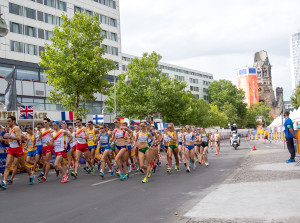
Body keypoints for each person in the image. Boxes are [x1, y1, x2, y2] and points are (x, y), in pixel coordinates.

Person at [0, 116, 34, 189]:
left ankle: (31, 175)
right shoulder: (10, 129)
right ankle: (4, 182)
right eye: (7, 121)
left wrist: (9, 137)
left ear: (13, 121)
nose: (7, 122)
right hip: (11, 149)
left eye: (9, 121)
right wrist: (7, 139)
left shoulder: (16, 128)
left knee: (23, 166)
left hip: (18, 149)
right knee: (7, 166)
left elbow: (19, 138)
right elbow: (11, 140)